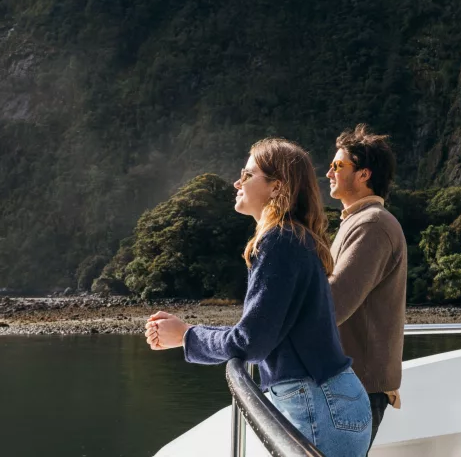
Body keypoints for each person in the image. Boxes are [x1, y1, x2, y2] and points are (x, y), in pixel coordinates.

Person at [144, 138, 372, 457]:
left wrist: (185, 336)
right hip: (330, 403)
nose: (237, 182)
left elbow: (250, 343)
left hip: (317, 407)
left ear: (276, 187)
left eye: (247, 174)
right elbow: (258, 333)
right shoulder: (293, 239)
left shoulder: (279, 242)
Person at [325, 125, 408, 450]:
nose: (329, 171)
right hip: (350, 383)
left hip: (357, 387)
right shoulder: (357, 221)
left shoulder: (372, 224)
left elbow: (333, 304)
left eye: (338, 165)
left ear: (364, 174)